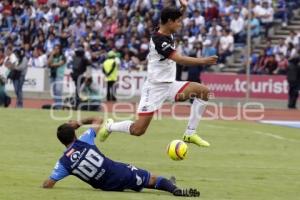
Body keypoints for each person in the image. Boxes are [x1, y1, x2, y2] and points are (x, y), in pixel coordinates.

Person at [99, 0, 218, 147]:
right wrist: (203, 61)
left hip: (170, 86)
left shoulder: (166, 29)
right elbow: (179, 59)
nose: (180, 24)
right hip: (154, 89)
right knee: (138, 130)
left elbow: (174, 17)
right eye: (178, 22)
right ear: (169, 22)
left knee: (204, 92)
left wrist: (183, 8)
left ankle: (190, 133)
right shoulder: (159, 40)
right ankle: (110, 126)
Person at [42, 116, 200, 197]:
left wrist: (48, 181)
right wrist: (78, 122)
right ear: (74, 133)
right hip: (117, 172)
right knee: (152, 178)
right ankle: (175, 190)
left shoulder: (63, 163)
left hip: (106, 186)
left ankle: (163, 185)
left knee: (139, 181)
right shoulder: (84, 140)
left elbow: (48, 184)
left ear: (61, 141)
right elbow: (98, 119)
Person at [47, 44, 66, 109]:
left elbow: (60, 64)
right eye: (54, 49)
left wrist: (52, 65)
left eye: (57, 49)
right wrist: (51, 54)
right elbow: (48, 63)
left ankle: (59, 106)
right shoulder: (52, 56)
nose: (56, 50)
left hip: (59, 75)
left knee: (58, 90)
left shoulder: (63, 56)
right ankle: (57, 105)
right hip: (52, 75)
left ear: (60, 49)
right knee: (54, 91)